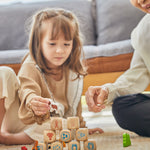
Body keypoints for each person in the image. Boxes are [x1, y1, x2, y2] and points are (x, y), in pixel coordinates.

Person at [0, 8, 103, 145]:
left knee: (62, 125)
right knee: (4, 73)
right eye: (52, 44)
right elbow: (26, 89)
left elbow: (75, 107)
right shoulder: (31, 64)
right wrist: (32, 101)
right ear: (39, 43)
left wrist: (80, 128)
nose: (60, 50)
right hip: (21, 116)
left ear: (74, 43)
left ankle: (10, 138)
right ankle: (5, 136)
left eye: (66, 44)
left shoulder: (73, 71)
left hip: (44, 124)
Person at [85, 0, 150, 137]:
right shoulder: (143, 32)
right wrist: (107, 90)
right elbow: (136, 75)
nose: (139, 1)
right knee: (123, 106)